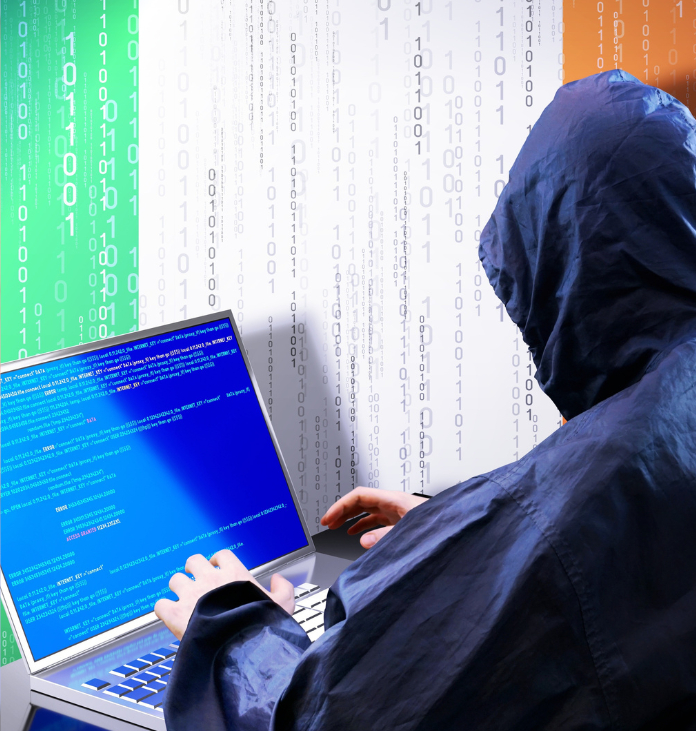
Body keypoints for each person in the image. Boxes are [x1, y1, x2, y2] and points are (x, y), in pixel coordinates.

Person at [155, 70, 696, 730]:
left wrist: (226, 628)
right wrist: (459, 534)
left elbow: (326, 718)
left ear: (568, 273)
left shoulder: (556, 522)